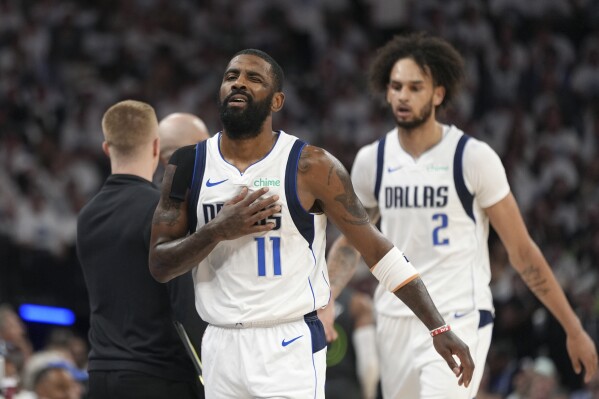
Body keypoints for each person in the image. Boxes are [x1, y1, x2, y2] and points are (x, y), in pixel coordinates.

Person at [148, 48, 474, 399]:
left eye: (253, 79)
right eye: (232, 76)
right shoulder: (187, 165)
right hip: (220, 344)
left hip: (288, 345)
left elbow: (376, 250)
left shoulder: (312, 165)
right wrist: (217, 230)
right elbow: (160, 264)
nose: (239, 83)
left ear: (277, 101)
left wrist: (438, 327)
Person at [324, 32, 598, 398]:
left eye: (415, 87)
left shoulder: (472, 157)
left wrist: (573, 328)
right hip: (394, 317)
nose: (403, 95)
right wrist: (325, 302)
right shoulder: (371, 160)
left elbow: (521, 250)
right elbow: (349, 243)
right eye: (396, 86)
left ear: (438, 94)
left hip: (458, 314)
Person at [76, 100, 200, 399]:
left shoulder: (86, 216)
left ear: (107, 148)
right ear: (156, 147)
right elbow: (184, 304)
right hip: (159, 377)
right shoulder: (163, 211)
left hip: (101, 375)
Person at [325, 285, 380, 399]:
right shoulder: (358, 304)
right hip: (348, 388)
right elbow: (369, 364)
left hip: (313, 387)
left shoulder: (302, 304)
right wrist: (369, 394)